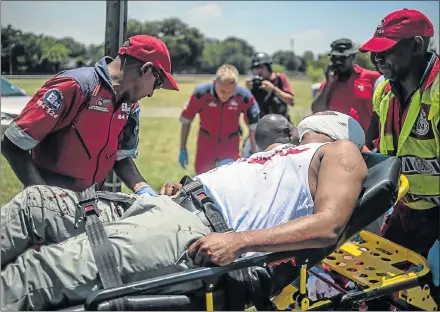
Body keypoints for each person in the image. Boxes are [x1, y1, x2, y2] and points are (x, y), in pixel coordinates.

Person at [1, 111, 368, 311]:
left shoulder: (341, 151)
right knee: (35, 205)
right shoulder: (283, 152)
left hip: (187, 229)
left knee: (39, 271)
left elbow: (328, 225)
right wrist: (189, 186)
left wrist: (239, 242)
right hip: (168, 206)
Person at [1, 35, 179, 197]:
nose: (151, 94)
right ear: (147, 69)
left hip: (92, 205)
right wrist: (44, 198)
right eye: (158, 84)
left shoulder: (130, 105)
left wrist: (142, 188)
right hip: (52, 212)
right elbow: (13, 143)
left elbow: (121, 157)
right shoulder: (74, 87)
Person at [360, 8, 439, 260]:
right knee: (377, 294)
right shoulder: (383, 93)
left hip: (436, 216)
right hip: (403, 209)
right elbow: (375, 150)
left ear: (416, 46)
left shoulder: (437, 95)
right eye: (374, 52)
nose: (377, 59)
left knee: (425, 296)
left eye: (386, 50)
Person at [178, 64, 260, 174]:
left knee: (229, 182)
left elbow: (253, 127)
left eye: (231, 92)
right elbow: (186, 120)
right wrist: (183, 148)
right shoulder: (200, 93)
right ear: (214, 82)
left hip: (230, 145)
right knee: (203, 184)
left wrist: (255, 155)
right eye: (222, 91)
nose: (226, 95)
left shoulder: (244, 97)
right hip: (206, 145)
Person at [311, 38, 382, 138]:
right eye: (334, 58)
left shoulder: (372, 78)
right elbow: (316, 110)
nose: (338, 62)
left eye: (342, 58)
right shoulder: (328, 84)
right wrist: (328, 83)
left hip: (366, 141)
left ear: (353, 57)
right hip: (337, 141)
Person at [242, 52, 294, 157]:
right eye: (255, 68)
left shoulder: (280, 79)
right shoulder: (254, 84)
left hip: (281, 131)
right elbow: (245, 112)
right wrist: (247, 91)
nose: (258, 71)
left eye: (261, 67)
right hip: (260, 131)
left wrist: (273, 89)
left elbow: (291, 100)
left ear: (268, 67)